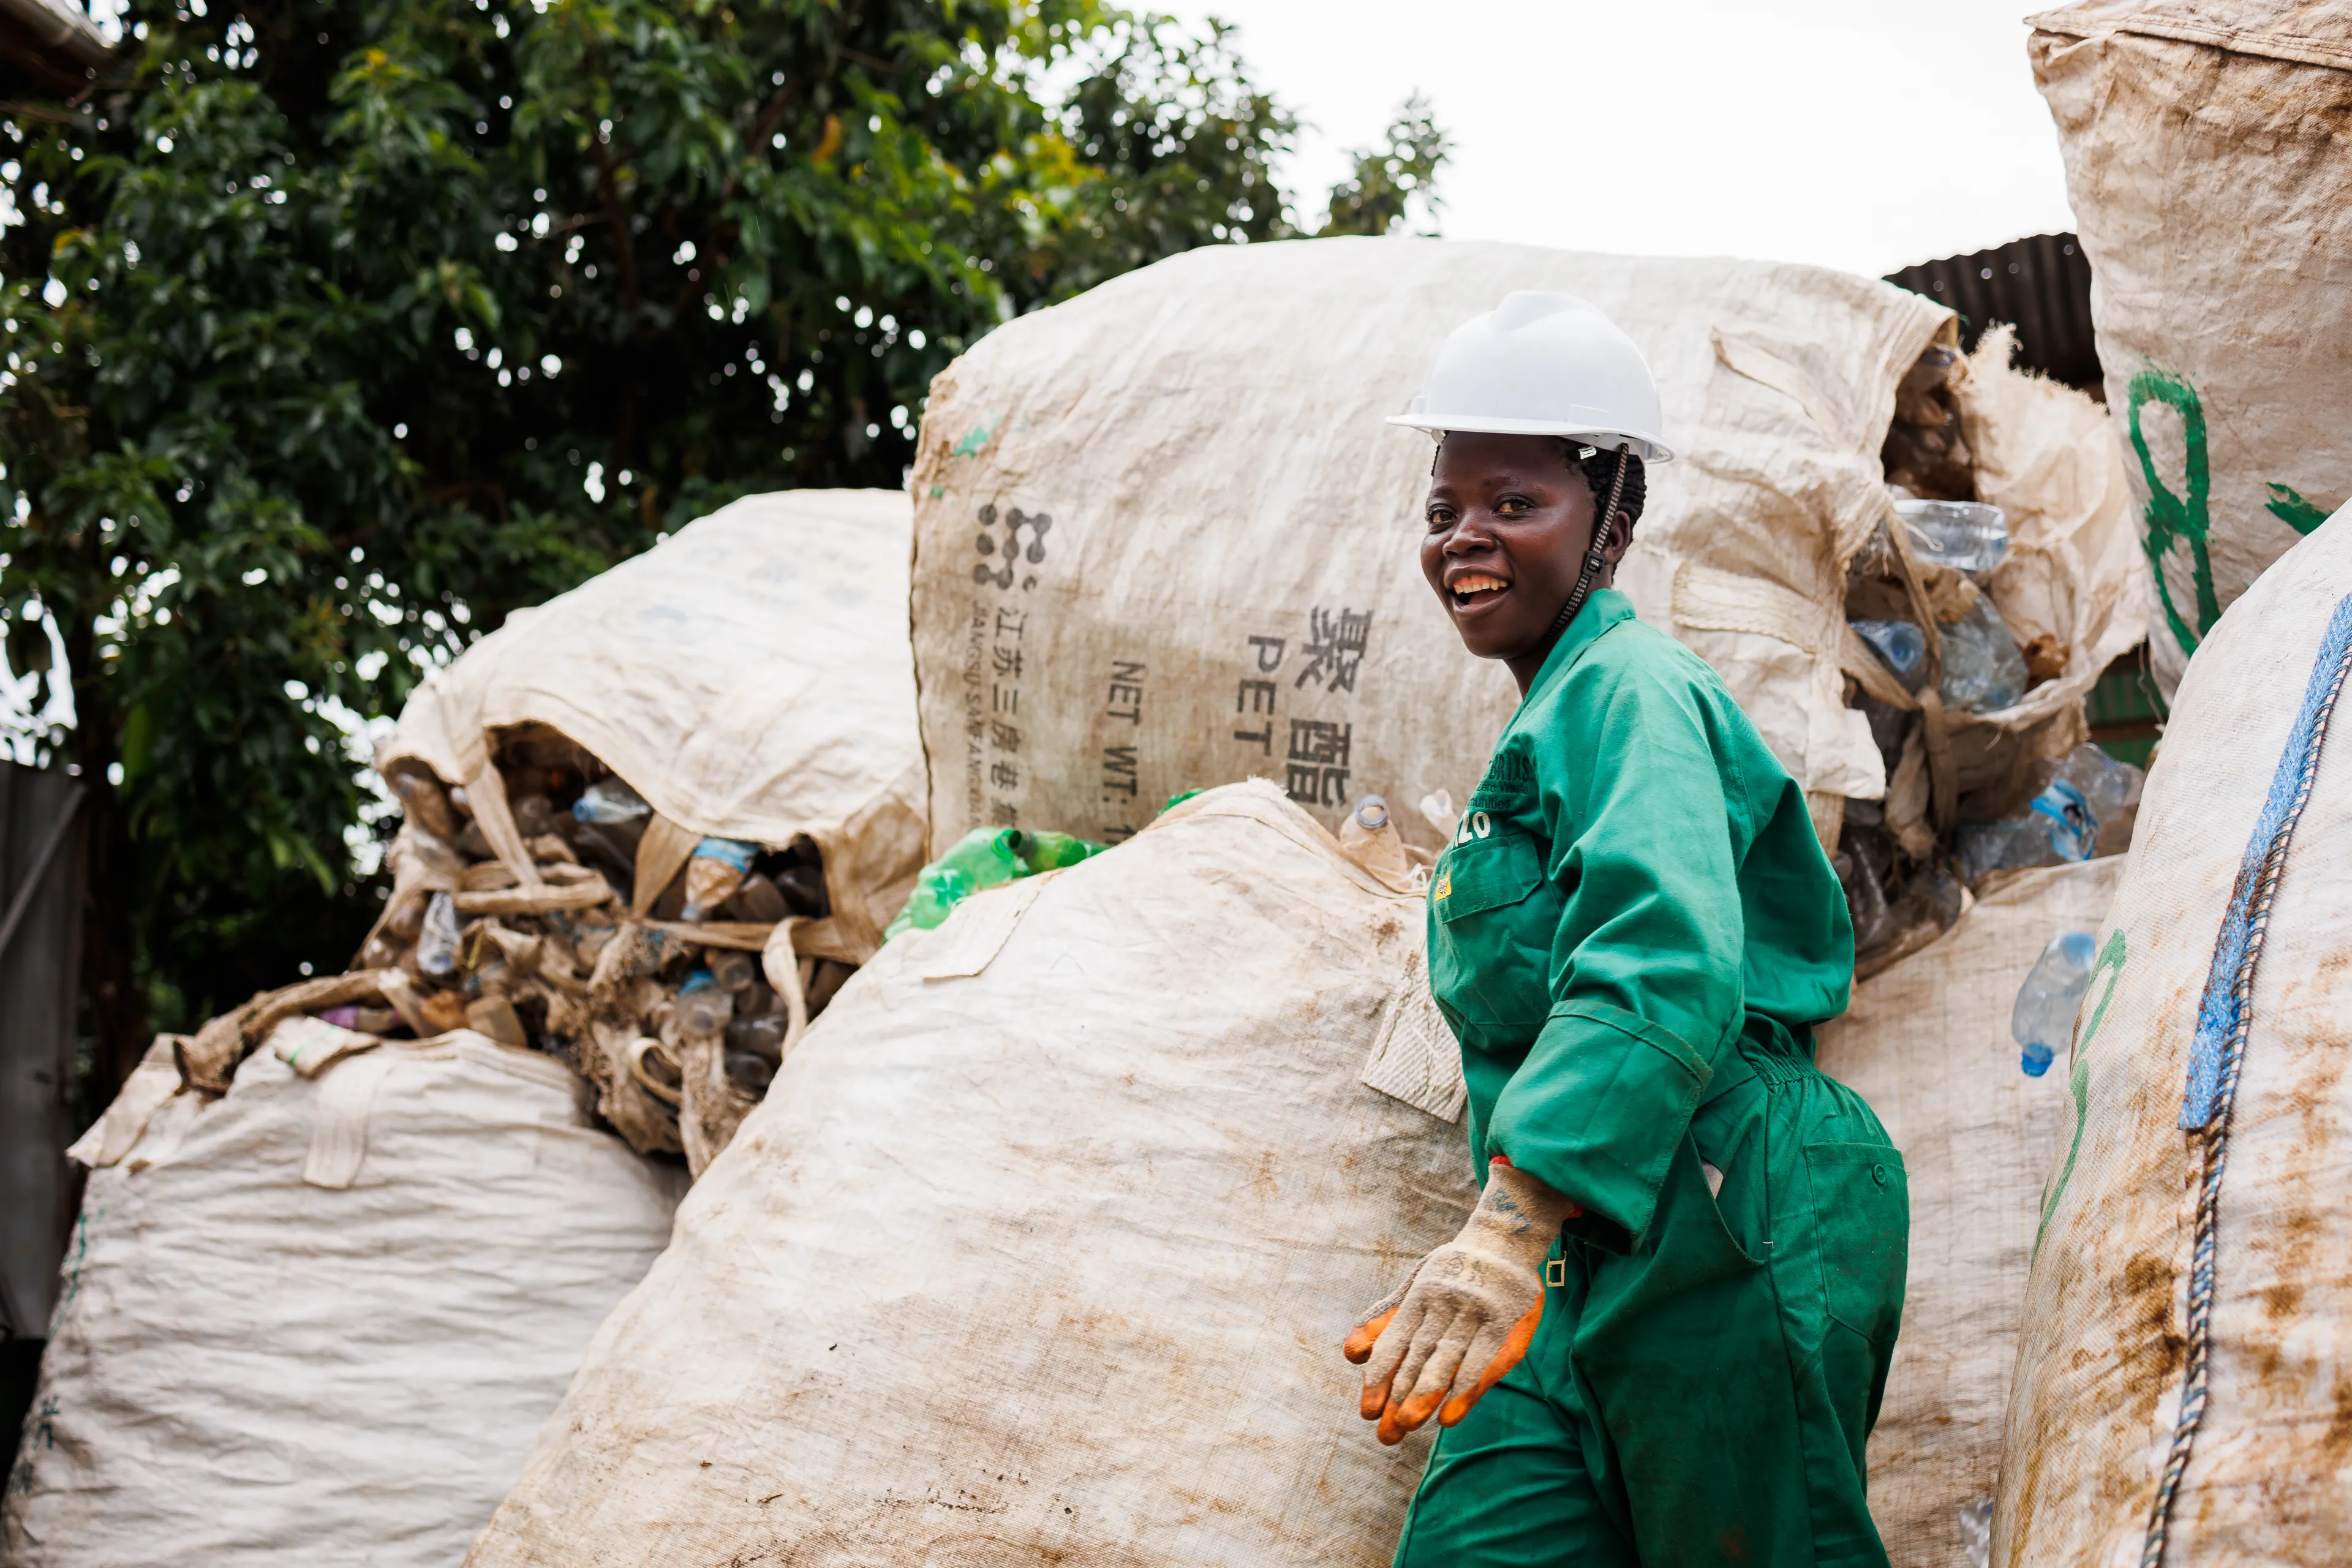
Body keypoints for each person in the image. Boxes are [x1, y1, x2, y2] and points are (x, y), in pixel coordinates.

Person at [1343, 293, 1908, 1568]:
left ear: (1614, 518)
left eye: (1513, 501)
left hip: (1723, 1197)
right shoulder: (1542, 728)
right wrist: (1511, 1229)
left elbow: (1661, 955)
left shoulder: (1632, 689)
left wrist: (1508, 1220)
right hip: (1570, 1251)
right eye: (1444, 511)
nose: (1465, 539)